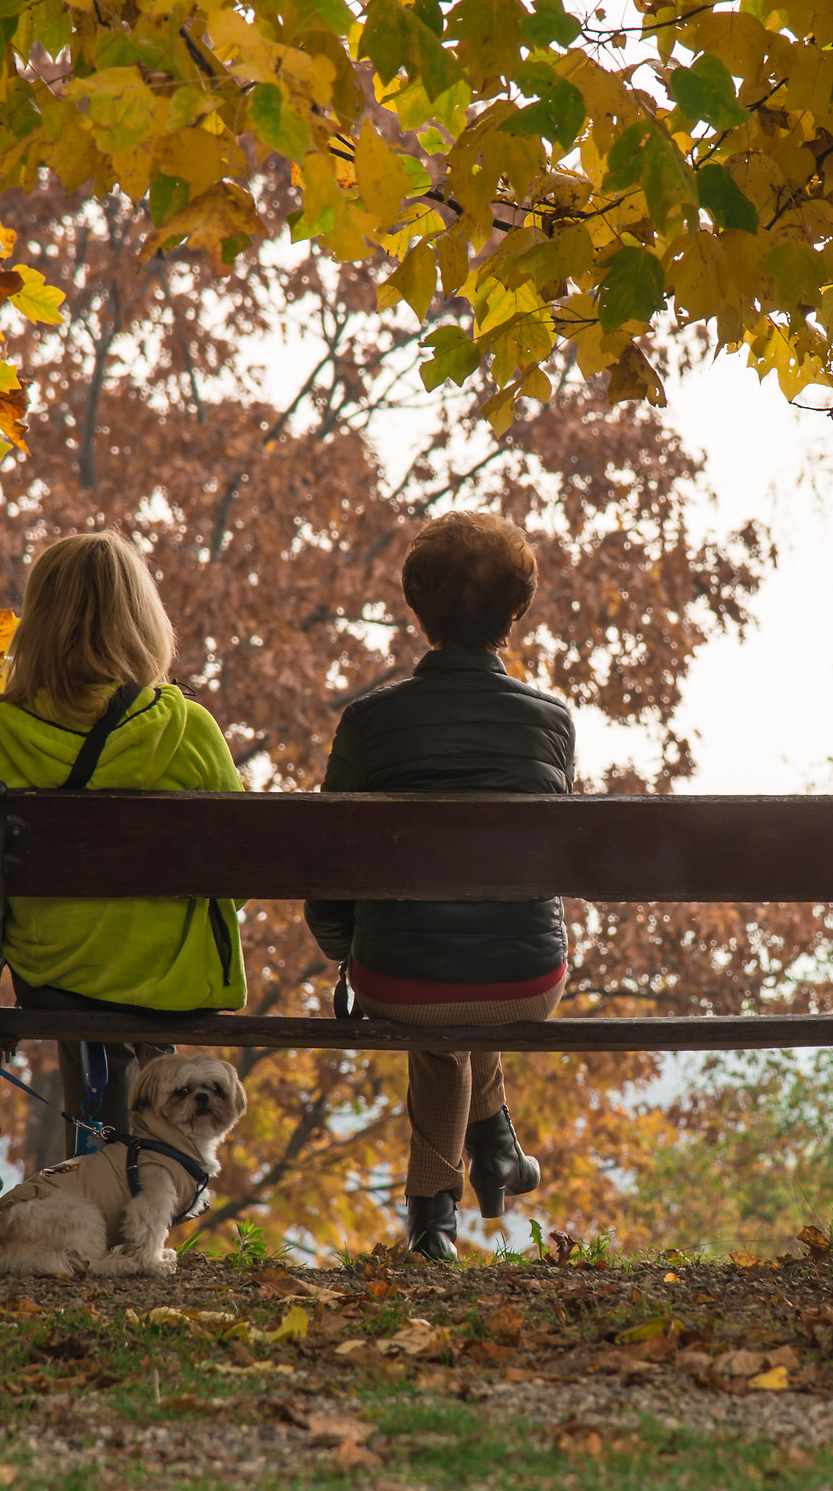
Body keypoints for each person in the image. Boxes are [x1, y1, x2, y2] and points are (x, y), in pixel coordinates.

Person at [304, 511, 571, 1261]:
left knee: (435, 984)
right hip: (527, 976)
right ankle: (494, 1154)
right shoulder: (550, 723)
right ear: (515, 611)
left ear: (417, 608)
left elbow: (326, 860)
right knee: (460, 972)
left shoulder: (369, 722)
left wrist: (343, 951)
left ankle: (434, 1219)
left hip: (398, 976)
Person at [0, 530, 247, 1144]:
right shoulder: (186, 729)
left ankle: (107, 1165)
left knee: (82, 998)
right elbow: (239, 880)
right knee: (129, 1001)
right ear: (143, 622)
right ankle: (144, 1174)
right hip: (170, 979)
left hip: (53, 977)